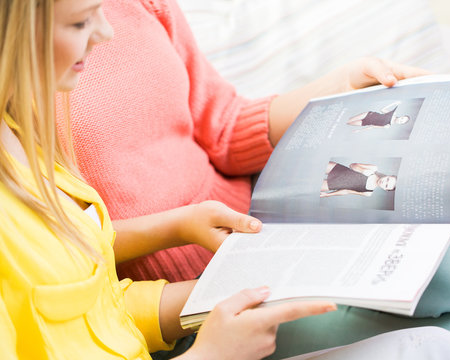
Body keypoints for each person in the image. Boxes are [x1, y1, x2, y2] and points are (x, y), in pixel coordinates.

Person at [61, 1, 450, 359]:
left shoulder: (139, 7)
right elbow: (58, 253)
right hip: (188, 306)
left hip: (266, 228)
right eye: (83, 20)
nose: (101, 30)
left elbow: (223, 124)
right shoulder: (22, 79)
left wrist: (335, 88)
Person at [0, 1, 339, 358]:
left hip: (221, 267)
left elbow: (92, 308)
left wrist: (186, 240)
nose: (106, 32)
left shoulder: (16, 136)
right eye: (81, 22)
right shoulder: (34, 109)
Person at [320, 161, 397, 198]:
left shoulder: (368, 193)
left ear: (385, 189)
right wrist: (362, 170)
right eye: (387, 179)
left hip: (334, 184)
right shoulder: (373, 169)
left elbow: (347, 191)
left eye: (386, 185)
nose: (384, 182)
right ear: (388, 175)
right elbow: (352, 165)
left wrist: (328, 195)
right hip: (337, 169)